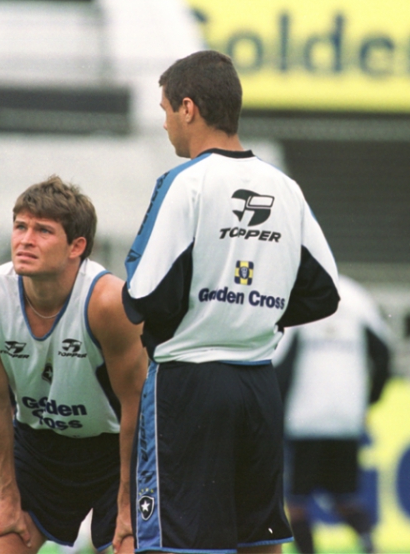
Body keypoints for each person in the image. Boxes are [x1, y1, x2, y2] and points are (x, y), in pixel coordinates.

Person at [121, 50, 341, 554]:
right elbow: (323, 291)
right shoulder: (285, 188)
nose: (165, 123)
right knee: (259, 541)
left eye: (166, 110)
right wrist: (253, 307)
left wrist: (206, 309)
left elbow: (146, 293)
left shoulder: (185, 183)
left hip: (190, 386)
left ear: (189, 108)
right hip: (258, 387)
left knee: (180, 543)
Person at [0, 175, 147, 554]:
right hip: (39, 449)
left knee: (134, 546)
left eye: (43, 230)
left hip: (118, 453)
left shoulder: (108, 302)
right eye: (20, 226)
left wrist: (128, 505)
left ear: (76, 246)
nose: (25, 239)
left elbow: (138, 408)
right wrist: (7, 497)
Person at [273, 275, 391, 554]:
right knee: (344, 496)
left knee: (297, 502)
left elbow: (282, 365)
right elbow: (384, 354)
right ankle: (368, 541)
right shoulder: (357, 297)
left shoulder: (299, 294)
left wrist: (276, 410)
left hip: (305, 418)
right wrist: (369, 400)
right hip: (347, 417)